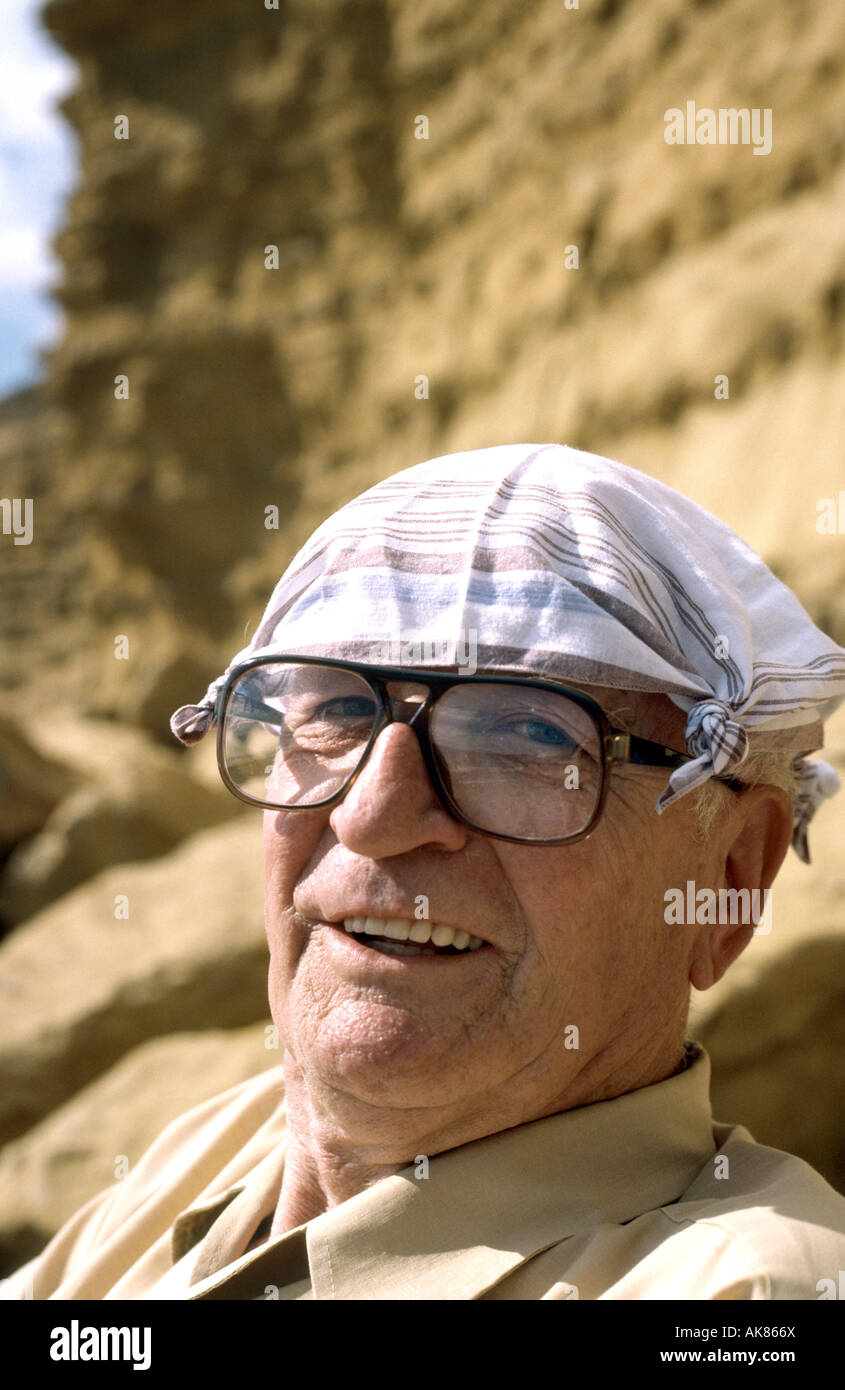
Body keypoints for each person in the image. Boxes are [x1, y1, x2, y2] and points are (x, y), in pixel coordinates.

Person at [4, 442, 845, 1301]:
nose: (371, 818)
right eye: (335, 711)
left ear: (728, 880)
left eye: (527, 736)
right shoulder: (222, 1146)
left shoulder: (746, 1295)